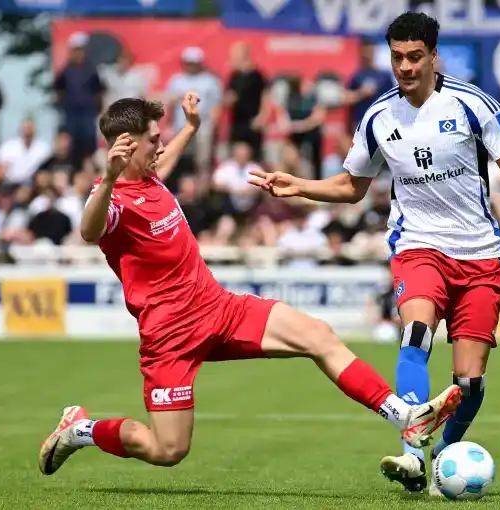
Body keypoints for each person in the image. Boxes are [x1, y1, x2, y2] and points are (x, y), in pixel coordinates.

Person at [37, 92, 463, 475]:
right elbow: (90, 232)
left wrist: (191, 128)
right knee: (167, 449)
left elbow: (161, 163)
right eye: (154, 139)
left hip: (218, 309)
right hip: (170, 337)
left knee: (318, 336)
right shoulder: (110, 199)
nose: (161, 146)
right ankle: (82, 430)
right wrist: (109, 177)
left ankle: (403, 416)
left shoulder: (149, 177)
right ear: (126, 146)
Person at [249, 12, 500, 495]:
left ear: (433, 55)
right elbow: (350, 186)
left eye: (414, 57)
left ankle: (446, 452)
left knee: (469, 384)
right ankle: (411, 455)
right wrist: (297, 185)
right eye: (397, 57)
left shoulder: (471, 104)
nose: (404, 66)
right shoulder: (379, 116)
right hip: (418, 247)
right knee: (416, 333)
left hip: (481, 255)